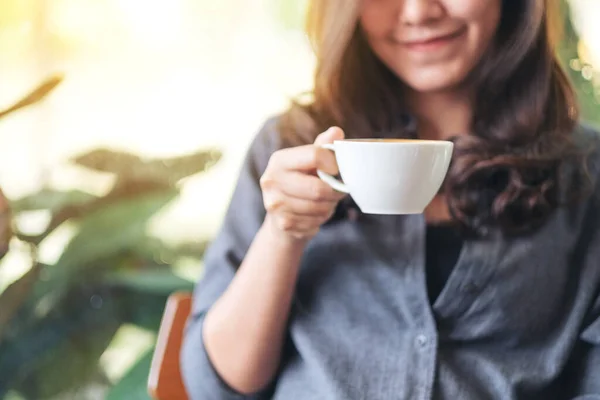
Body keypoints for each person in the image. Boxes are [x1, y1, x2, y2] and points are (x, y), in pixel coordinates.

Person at [181, 0, 600, 398]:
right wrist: (283, 234)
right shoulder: (287, 148)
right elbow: (215, 388)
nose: (419, 12)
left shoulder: (586, 172)